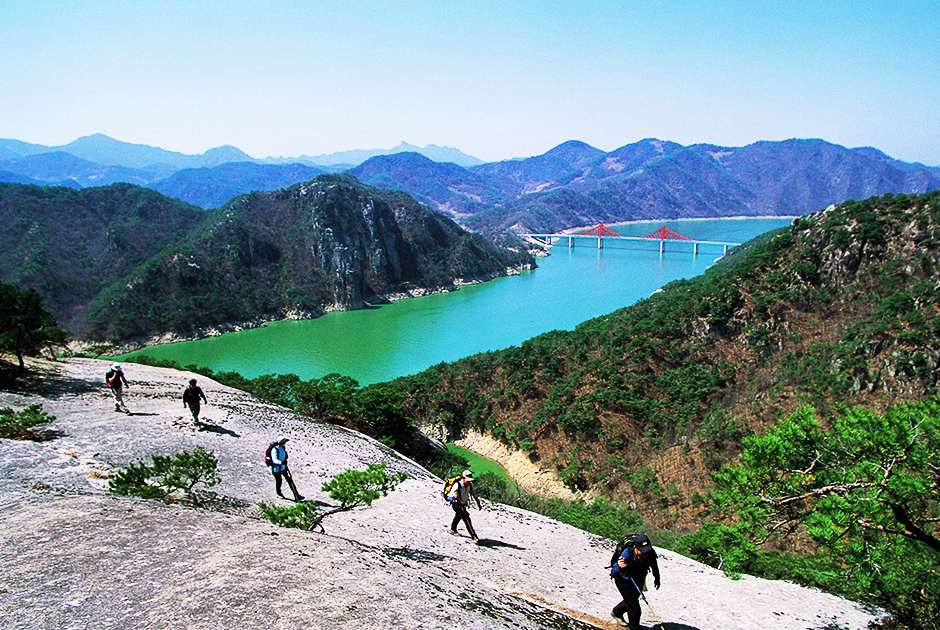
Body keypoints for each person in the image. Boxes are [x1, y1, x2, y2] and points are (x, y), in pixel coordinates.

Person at [610, 534, 661, 629]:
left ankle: (617, 612)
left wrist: (657, 578)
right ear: (635, 548)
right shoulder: (627, 553)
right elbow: (613, 572)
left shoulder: (650, 553)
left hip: (638, 579)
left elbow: (654, 566)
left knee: (632, 600)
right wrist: (620, 567)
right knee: (634, 609)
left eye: (647, 551)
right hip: (624, 581)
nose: (645, 554)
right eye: (643, 551)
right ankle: (633, 627)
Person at [447, 470, 482, 543]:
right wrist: (454, 496)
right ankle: (474, 536)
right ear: (463, 478)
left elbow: (474, 494)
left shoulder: (470, 485)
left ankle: (453, 529)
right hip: (456, 505)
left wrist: (478, 503)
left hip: (463, 504)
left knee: (458, 516)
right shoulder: (457, 485)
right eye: (468, 481)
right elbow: (449, 496)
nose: (469, 482)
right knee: (466, 519)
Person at [268, 437, 304, 502]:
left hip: (284, 468)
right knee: (279, 481)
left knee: (290, 481)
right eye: (284, 442)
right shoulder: (275, 449)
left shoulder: (282, 448)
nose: (285, 444)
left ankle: (296, 495)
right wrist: (281, 462)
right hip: (276, 469)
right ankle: (279, 493)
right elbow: (274, 460)